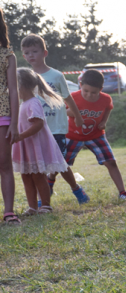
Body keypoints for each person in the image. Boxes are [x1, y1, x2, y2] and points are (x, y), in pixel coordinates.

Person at [20, 34, 89, 204]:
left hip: (56, 128)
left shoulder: (56, 75)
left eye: (34, 51)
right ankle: (42, 200)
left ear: (45, 53)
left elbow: (68, 98)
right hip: (34, 130)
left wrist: (78, 118)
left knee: (60, 163)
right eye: (27, 52)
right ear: (23, 56)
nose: (30, 55)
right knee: (38, 167)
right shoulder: (23, 76)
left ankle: (76, 189)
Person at [63, 69, 126, 200]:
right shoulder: (72, 97)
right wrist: (72, 113)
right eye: (86, 91)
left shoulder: (106, 99)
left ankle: (123, 192)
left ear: (101, 89)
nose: (89, 95)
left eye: (94, 92)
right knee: (60, 165)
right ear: (80, 85)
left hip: (96, 135)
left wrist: (104, 122)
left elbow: (108, 108)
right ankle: (49, 184)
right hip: (73, 136)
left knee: (111, 162)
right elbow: (61, 110)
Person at [12, 68, 69, 215]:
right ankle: (32, 207)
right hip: (26, 146)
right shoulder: (22, 104)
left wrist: (20, 136)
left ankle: (45, 205)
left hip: (34, 145)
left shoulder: (33, 103)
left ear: (20, 86)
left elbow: (38, 124)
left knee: (38, 175)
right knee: (26, 176)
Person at [0, 8, 20, 225]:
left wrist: (14, 123)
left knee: (4, 163)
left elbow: (13, 90)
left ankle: (8, 211)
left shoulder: (8, 55)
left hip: (3, 114)